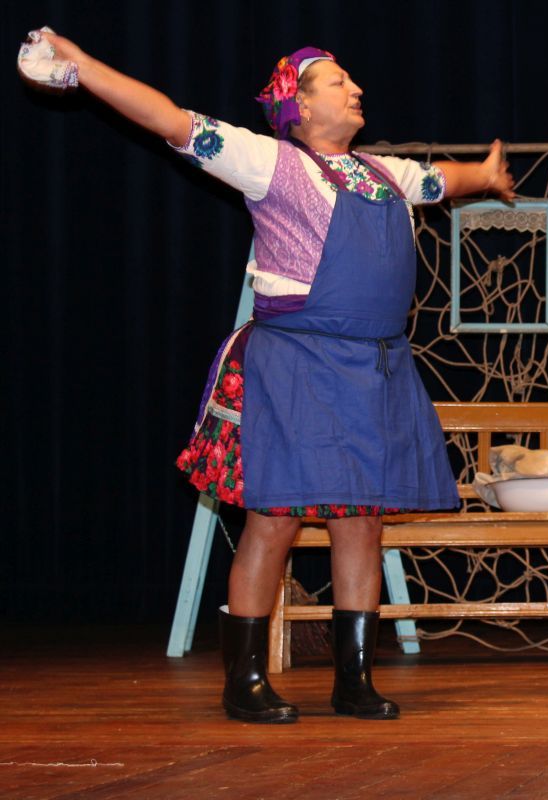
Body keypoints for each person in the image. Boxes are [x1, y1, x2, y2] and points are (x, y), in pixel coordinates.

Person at [25, 31, 515, 723]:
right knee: (274, 520)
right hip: (297, 364)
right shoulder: (269, 163)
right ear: (301, 106)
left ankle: (354, 680)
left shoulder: (384, 174)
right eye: (339, 81)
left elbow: (442, 179)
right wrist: (85, 68)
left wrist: (485, 175)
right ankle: (246, 680)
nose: (357, 89)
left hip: (373, 368)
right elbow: (169, 119)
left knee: (362, 524)